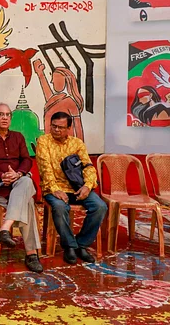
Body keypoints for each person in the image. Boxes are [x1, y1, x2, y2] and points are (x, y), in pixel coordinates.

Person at [0, 103, 43, 273]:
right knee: (27, 203)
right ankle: (31, 254)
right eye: (0, 115)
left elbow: (27, 160)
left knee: (25, 181)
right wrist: (1, 176)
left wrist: (18, 174)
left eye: (8, 115)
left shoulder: (18, 137)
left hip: (18, 183)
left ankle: (5, 228)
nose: (5, 118)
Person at [36, 111, 108, 264]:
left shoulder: (77, 143)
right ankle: (69, 246)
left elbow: (88, 166)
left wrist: (87, 186)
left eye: (61, 127)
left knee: (100, 206)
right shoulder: (43, 141)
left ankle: (81, 244)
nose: (56, 130)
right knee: (60, 207)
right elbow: (45, 168)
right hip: (54, 188)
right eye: (53, 126)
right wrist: (54, 189)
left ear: (69, 128)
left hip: (77, 187)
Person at [33, 59, 85, 140]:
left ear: (64, 80)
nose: (52, 81)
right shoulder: (54, 100)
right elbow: (48, 95)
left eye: (55, 79)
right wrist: (40, 73)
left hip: (66, 144)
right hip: (50, 144)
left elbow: (78, 129)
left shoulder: (70, 102)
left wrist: (79, 145)